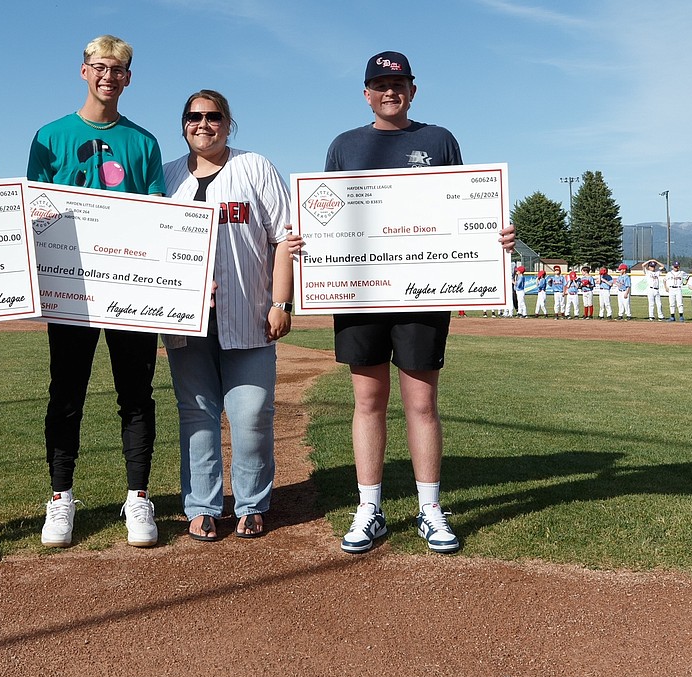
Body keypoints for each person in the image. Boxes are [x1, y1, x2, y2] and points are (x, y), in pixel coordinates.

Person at [311, 50, 515, 554]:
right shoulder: (344, 145)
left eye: (398, 83)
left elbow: (464, 208)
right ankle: (370, 508)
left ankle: (429, 509)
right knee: (368, 401)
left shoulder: (438, 140)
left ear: (413, 89)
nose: (390, 91)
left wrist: (495, 236)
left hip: (422, 293)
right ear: (366, 93)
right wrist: (306, 245)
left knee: (421, 402)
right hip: (360, 294)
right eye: (380, 84)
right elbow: (328, 220)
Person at [27, 34, 166, 549]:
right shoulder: (50, 136)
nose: (108, 76)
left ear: (129, 79)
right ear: (83, 71)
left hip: (128, 288)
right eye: (99, 67)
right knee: (66, 395)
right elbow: (35, 214)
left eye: (119, 70)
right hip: (72, 290)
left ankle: (138, 496)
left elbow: (156, 218)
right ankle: (61, 497)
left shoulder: (144, 143)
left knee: (136, 396)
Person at [161, 90, 293, 541]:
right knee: (196, 413)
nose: (203, 124)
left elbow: (283, 239)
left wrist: (281, 302)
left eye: (213, 116)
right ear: (183, 124)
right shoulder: (167, 177)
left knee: (251, 412)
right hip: (186, 320)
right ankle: (202, 505)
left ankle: (252, 502)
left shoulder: (253, 166)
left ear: (228, 123)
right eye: (194, 117)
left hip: (251, 312)